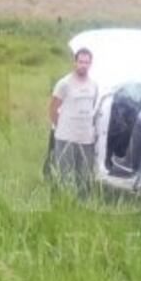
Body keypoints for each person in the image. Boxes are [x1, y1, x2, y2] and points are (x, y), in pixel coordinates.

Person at [48, 47, 99, 198]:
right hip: (66, 137)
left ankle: (82, 204)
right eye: (81, 61)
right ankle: (62, 201)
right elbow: (52, 108)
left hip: (85, 138)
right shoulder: (64, 83)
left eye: (87, 62)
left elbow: (92, 107)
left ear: (91, 64)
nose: (83, 65)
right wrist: (60, 126)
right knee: (65, 173)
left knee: (84, 175)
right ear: (75, 63)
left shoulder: (94, 85)